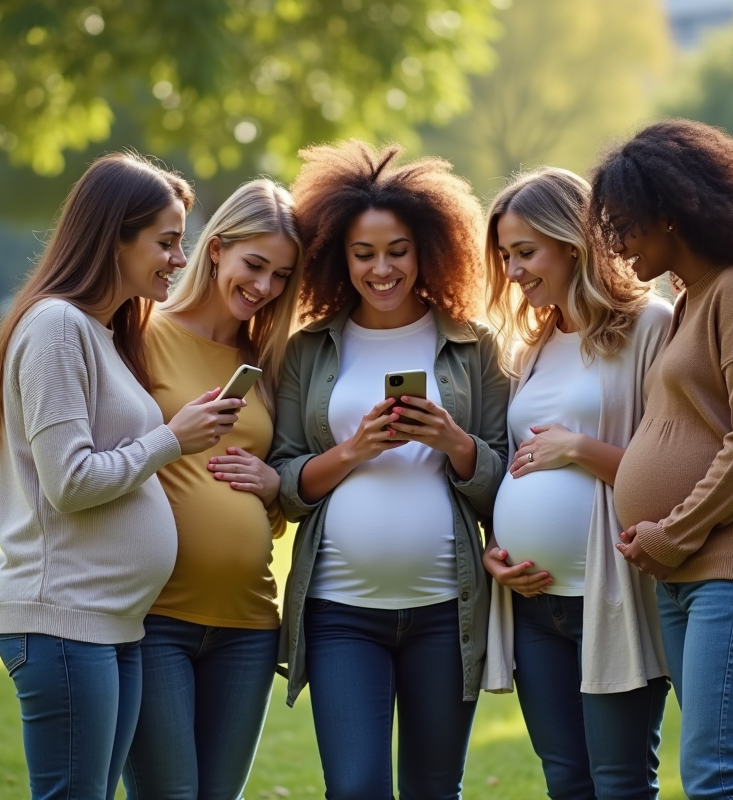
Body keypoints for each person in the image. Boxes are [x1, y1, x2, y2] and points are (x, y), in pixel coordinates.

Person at [0, 153, 246, 799]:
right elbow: (68, 481)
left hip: (111, 623)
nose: (181, 259)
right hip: (64, 620)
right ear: (112, 237)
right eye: (167, 241)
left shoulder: (100, 332)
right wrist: (170, 440)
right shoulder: (57, 327)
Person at [269, 140, 509, 800]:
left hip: (444, 610)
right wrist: (353, 450)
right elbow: (286, 485)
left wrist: (455, 443)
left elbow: (506, 481)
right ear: (338, 258)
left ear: (426, 248)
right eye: (363, 253)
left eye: (397, 250)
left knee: (435, 790)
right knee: (355, 788)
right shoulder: (312, 350)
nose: (381, 268)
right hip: (340, 612)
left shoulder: (470, 346)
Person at [590, 119, 733, 800]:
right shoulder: (692, 300)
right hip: (691, 574)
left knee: (718, 782)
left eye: (625, 226)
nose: (617, 245)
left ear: (670, 213)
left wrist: (674, 530)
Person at [480, 167, 672, 800]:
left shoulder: (649, 327)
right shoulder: (533, 346)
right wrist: (495, 553)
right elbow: (517, 466)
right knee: (565, 780)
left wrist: (581, 449)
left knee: (619, 782)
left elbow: (675, 473)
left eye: (525, 252)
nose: (513, 271)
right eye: (507, 256)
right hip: (535, 604)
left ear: (573, 243)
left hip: (610, 595)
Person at [123, 179, 304, 799]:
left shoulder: (268, 361)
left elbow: (278, 500)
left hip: (249, 624)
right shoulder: (141, 334)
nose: (264, 287)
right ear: (218, 247)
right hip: (156, 618)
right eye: (255, 265)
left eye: (282, 276)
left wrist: (273, 486)